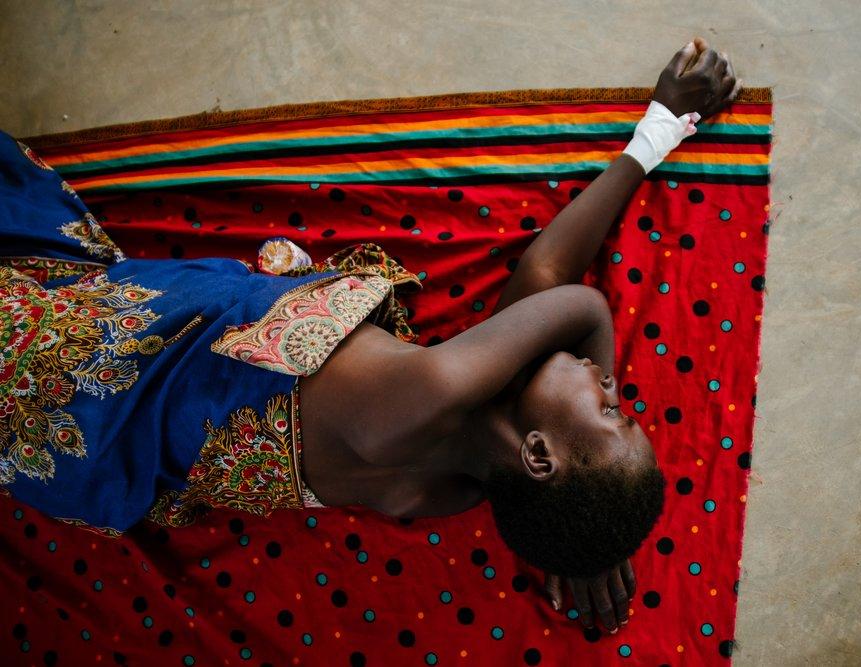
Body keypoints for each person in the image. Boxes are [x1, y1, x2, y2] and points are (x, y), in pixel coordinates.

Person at [0, 38, 738, 634]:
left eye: (613, 408)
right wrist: (659, 131)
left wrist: (585, 388)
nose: (609, 381)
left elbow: (583, 305)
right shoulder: (461, 483)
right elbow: (547, 267)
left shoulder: (431, 388)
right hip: (105, 438)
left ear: (539, 455)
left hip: (93, 374)